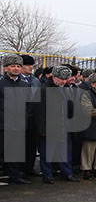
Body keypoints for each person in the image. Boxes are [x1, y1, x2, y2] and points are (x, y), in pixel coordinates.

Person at [33, 65, 80, 184]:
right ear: (54, 77)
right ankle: (47, 175)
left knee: (65, 152)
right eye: (61, 79)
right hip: (49, 128)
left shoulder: (64, 89)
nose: (64, 82)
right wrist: (43, 130)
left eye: (65, 79)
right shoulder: (43, 91)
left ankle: (67, 173)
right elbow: (39, 113)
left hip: (63, 127)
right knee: (47, 153)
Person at [0, 53, 32, 184]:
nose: (16, 69)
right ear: (6, 68)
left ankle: (15, 176)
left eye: (18, 66)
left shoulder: (24, 84)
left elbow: (29, 104)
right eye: (12, 66)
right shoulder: (1, 83)